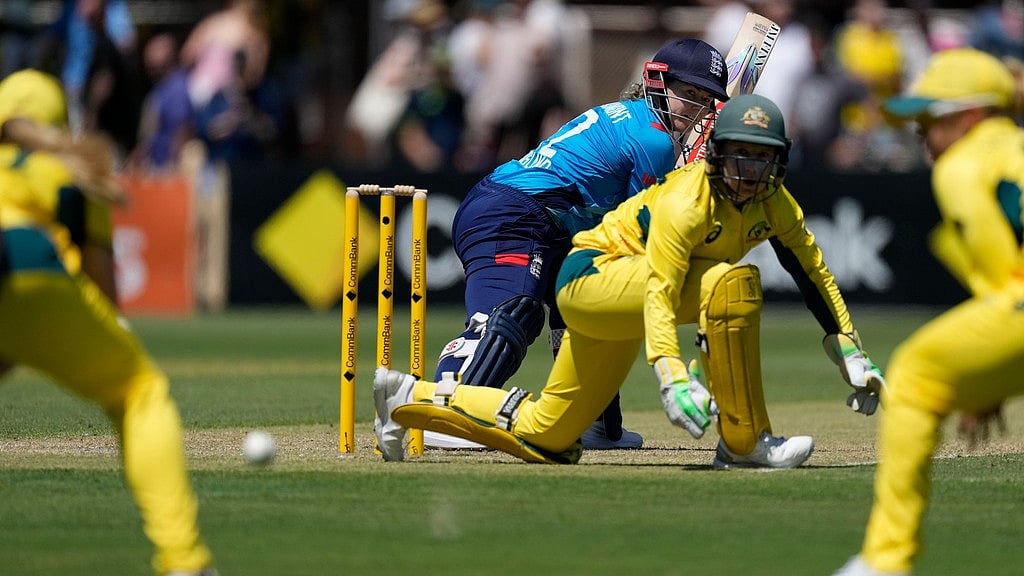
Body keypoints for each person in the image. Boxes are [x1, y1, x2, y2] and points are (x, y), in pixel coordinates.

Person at [374, 93, 887, 467]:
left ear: (779, 161)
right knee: (729, 283)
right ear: (716, 152)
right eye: (739, 155)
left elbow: (813, 271)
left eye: (762, 158)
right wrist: (670, 374)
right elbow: (661, 292)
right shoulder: (687, 201)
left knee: (548, 436)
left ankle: (405, 401)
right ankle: (746, 441)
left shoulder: (775, 205)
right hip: (590, 278)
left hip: (620, 298)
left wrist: (850, 349)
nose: (749, 173)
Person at [431, 38, 731, 450]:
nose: (696, 108)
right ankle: (448, 412)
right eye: (688, 94)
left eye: (704, 99)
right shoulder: (655, 140)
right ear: (658, 82)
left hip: (546, 222)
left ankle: (592, 423)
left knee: (589, 307)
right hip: (514, 213)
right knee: (513, 312)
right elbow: (640, 232)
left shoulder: (636, 119)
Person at [0, 69, 217, 576]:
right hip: (27, 259)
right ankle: (184, 560)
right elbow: (101, 289)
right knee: (140, 390)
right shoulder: (68, 172)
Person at [834, 48, 1024, 576]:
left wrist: (982, 380)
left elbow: (1010, 281)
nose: (921, 135)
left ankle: (885, 562)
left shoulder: (964, 166)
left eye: (929, 119)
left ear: (968, 116)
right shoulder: (1012, 148)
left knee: (915, 375)